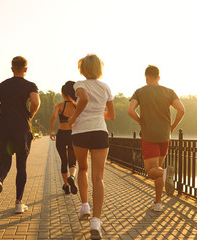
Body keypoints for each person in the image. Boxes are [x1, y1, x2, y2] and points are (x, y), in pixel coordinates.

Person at [68, 54, 115, 239]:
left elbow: (84, 99)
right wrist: (98, 113)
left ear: (83, 69)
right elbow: (111, 115)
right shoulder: (106, 87)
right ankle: (96, 220)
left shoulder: (79, 84)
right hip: (99, 132)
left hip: (80, 131)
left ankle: (84, 205)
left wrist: (73, 117)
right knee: (98, 177)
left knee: (82, 169)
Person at [128, 65, 185, 212]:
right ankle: (158, 203)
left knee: (151, 171)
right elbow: (182, 110)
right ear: (158, 77)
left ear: (146, 78)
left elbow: (130, 110)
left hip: (149, 136)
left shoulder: (140, 92)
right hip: (165, 136)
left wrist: (141, 121)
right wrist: (172, 127)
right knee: (157, 168)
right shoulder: (169, 92)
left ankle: (166, 174)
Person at [0, 56, 40, 214]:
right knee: (21, 166)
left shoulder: (2, 85)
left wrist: (3, 108)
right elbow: (36, 102)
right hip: (21, 129)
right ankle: (18, 203)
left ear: (11, 68)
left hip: (4, 129)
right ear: (25, 69)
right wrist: (29, 115)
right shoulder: (30, 85)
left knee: (4, 164)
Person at [49, 81, 78, 195]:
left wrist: (51, 131)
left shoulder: (59, 106)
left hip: (61, 134)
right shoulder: (76, 105)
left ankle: (66, 185)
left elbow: (53, 117)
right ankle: (72, 176)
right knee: (72, 161)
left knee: (63, 161)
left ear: (62, 93)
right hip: (72, 134)